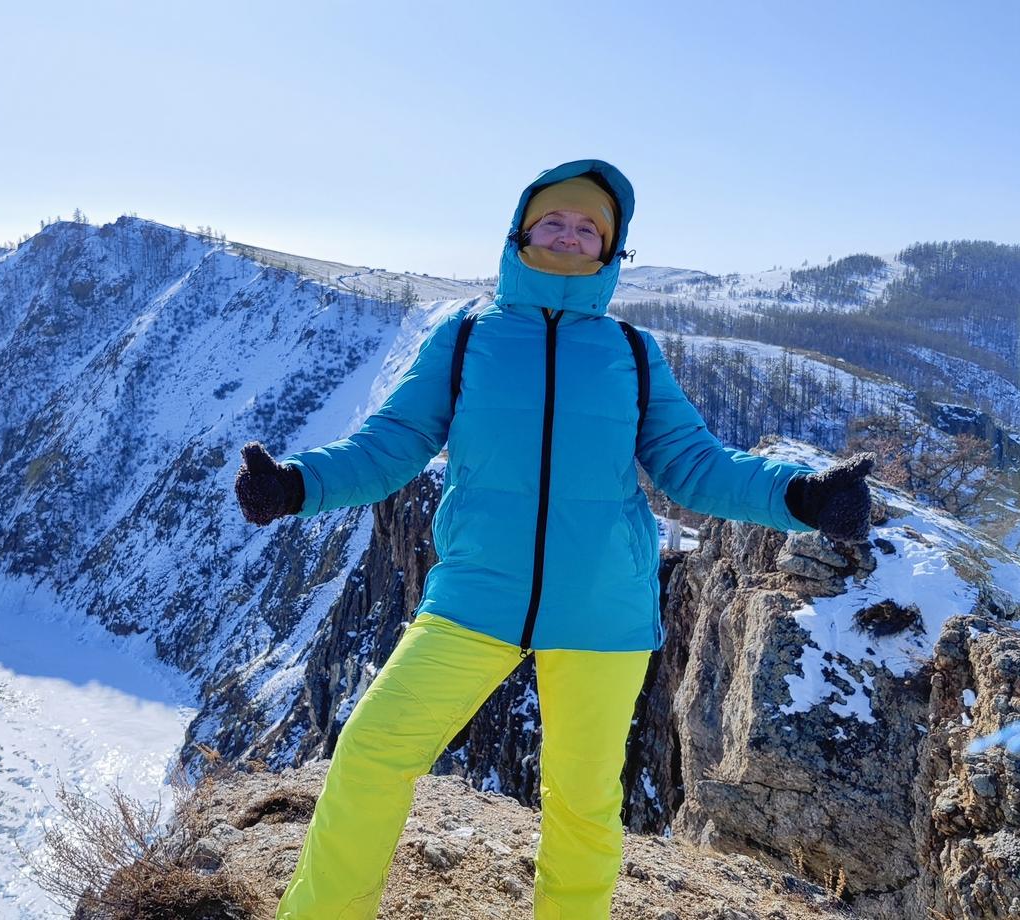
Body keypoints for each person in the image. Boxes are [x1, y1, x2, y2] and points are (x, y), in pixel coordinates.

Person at [235, 158, 873, 919]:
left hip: (603, 607)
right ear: (522, 230)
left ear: (610, 249)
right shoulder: (467, 336)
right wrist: (298, 483)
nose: (569, 237)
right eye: (555, 221)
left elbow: (694, 466)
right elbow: (394, 443)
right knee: (372, 751)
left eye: (589, 228)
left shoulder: (633, 352)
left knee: (581, 803)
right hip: (476, 594)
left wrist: (799, 496)